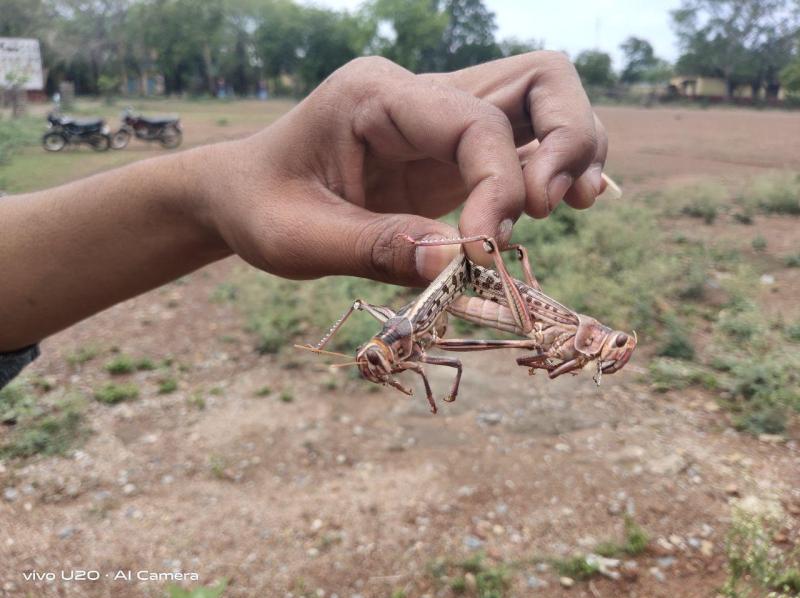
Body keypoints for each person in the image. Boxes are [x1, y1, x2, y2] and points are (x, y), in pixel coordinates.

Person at [0, 52, 609, 388]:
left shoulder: (400, 337)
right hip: (428, 304)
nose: (374, 365)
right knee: (453, 346)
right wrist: (212, 197)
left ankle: (526, 298)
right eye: (375, 363)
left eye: (371, 361)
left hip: (433, 301)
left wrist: (208, 198)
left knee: (479, 326)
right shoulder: (396, 352)